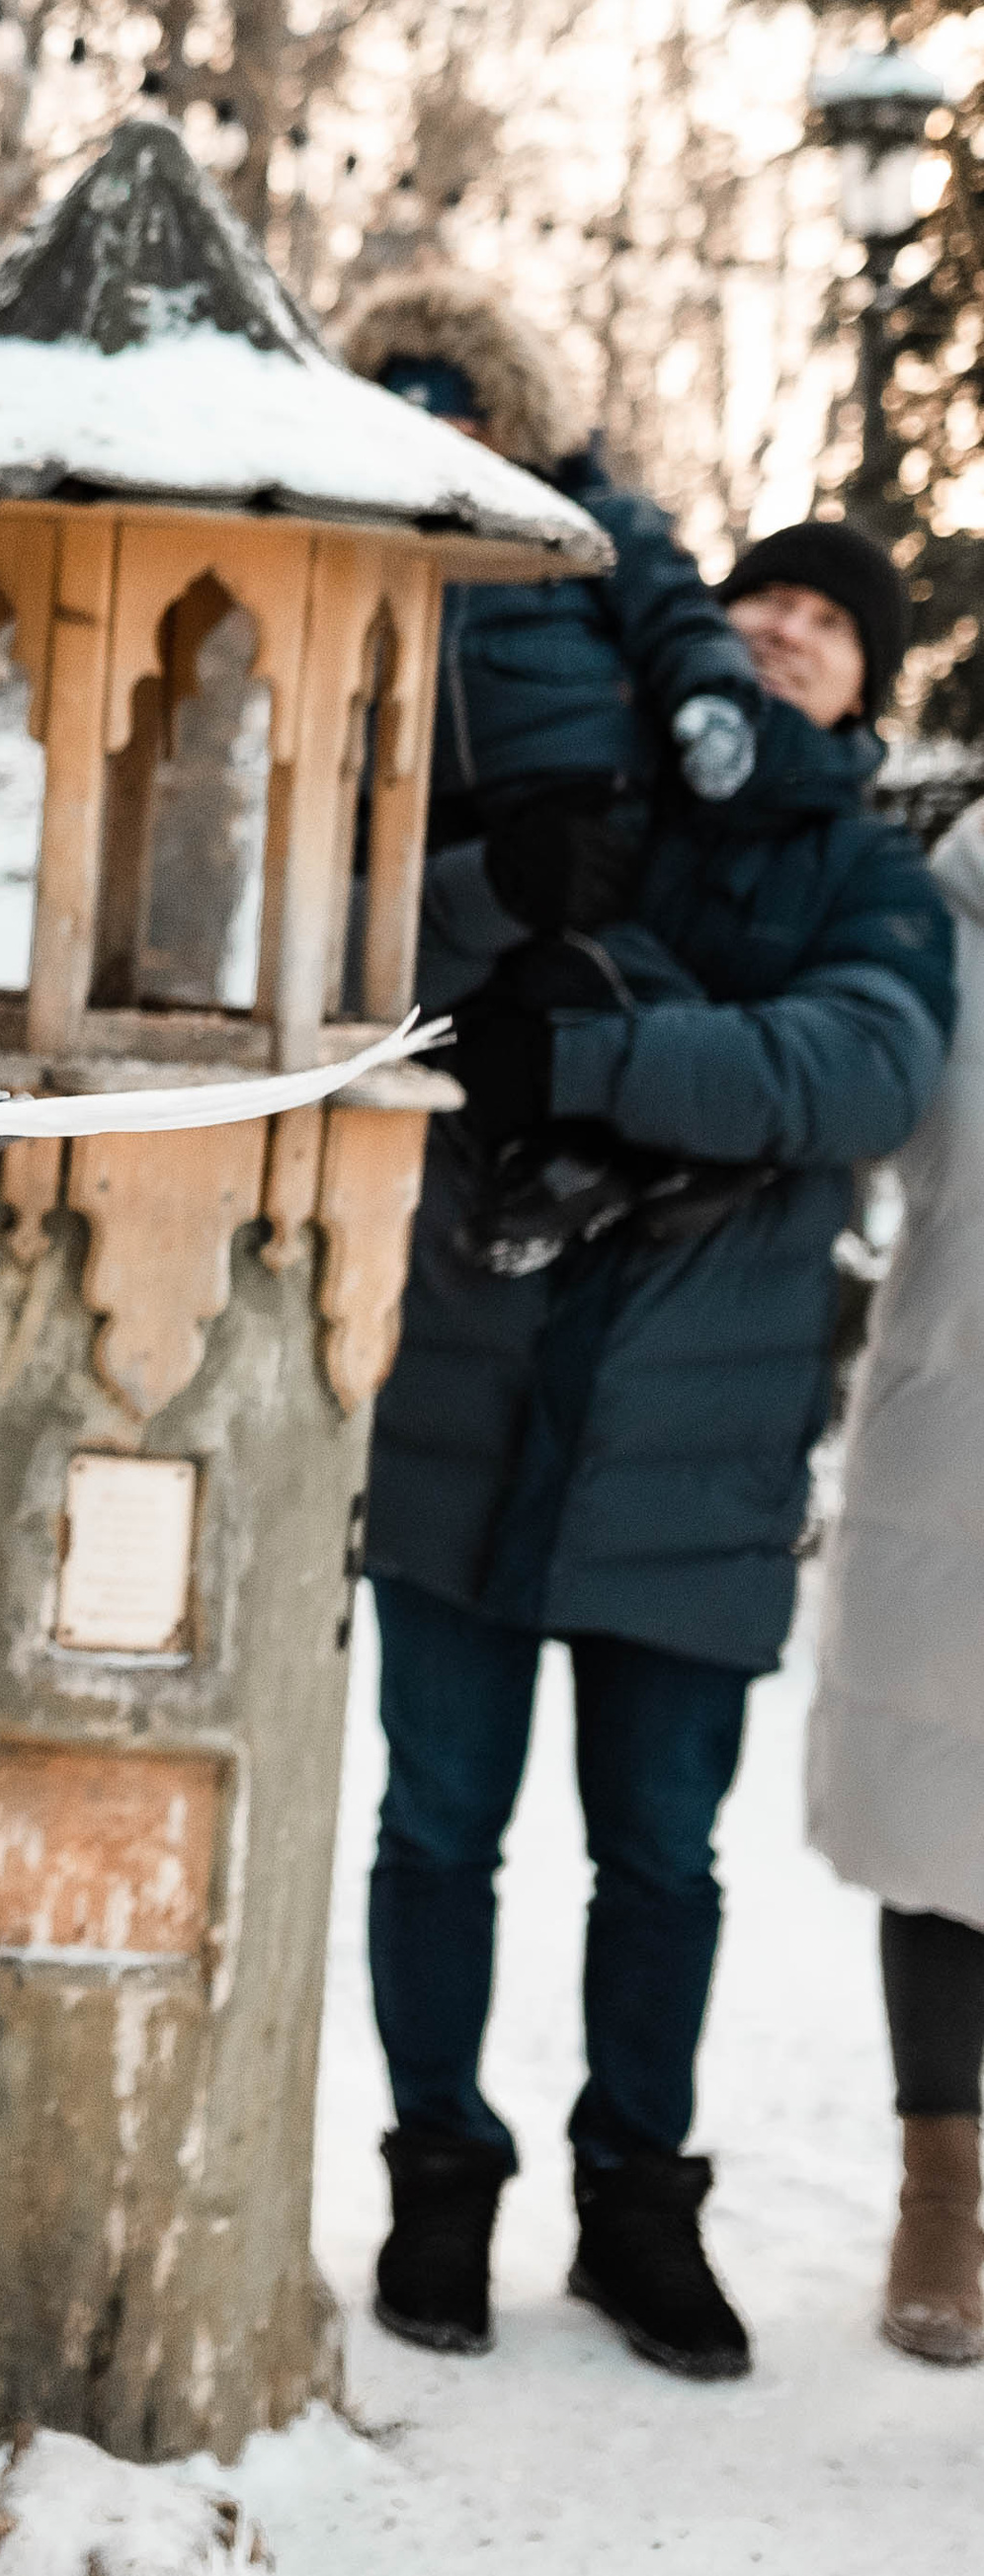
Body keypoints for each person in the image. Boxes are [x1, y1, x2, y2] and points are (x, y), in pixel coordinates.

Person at [358, 509, 952, 2380]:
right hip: (473, 1396)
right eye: (759, 598)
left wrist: (594, 1053)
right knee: (437, 1823)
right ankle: (437, 2173)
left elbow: (855, 1072)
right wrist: (491, 893)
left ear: (870, 684)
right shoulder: (572, 780)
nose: (784, 627)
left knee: (661, 1857)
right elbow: (393, 962)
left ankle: (636, 2201)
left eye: (828, 620)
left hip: (698, 1458)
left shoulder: (873, 875)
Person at [342, 271, 772, 1273]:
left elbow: (674, 614)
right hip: (435, 817)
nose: (441, 460)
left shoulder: (581, 522)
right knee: (487, 1002)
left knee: (598, 964)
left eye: (462, 433)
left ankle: (688, 1135)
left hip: (572, 785)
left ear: (504, 428)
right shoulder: (370, 552)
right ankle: (559, 1162)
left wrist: (709, 701)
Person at [807, 789, 984, 2366]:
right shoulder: (937, 928)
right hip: (959, 1449)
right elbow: (856, 1121)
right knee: (941, 1828)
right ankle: (944, 2194)